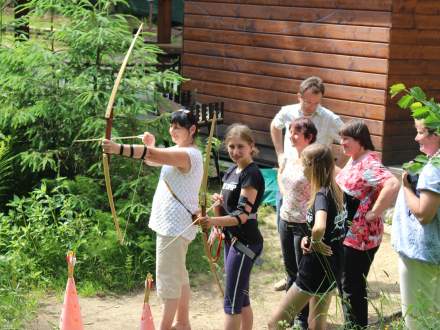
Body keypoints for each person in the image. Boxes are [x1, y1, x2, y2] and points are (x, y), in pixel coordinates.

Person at [102, 109, 202, 330]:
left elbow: (153, 156)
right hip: (174, 226)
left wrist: (117, 148)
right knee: (179, 275)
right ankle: (182, 323)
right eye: (171, 126)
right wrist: (153, 144)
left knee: (168, 279)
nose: (173, 130)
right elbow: (155, 160)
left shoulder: (189, 155)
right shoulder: (179, 150)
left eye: (178, 127)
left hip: (173, 227)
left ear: (192, 129)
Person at [270, 76, 343, 292]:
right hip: (289, 179)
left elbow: (347, 139)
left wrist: (339, 169)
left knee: (305, 239)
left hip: (312, 185)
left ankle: (308, 281)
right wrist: (280, 154)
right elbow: (275, 126)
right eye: (307, 102)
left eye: (315, 102)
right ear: (299, 96)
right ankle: (290, 276)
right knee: (284, 230)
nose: (311, 107)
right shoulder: (288, 111)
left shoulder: (330, 118)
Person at [268, 143, 346, 330]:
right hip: (334, 263)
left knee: (276, 323)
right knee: (317, 322)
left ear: (312, 165)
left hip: (315, 268)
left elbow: (319, 226)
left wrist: (315, 240)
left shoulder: (320, 194)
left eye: (303, 163)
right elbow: (337, 226)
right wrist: (310, 239)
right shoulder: (337, 190)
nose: (301, 167)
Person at [197, 124, 264, 330]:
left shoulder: (251, 174)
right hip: (231, 240)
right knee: (241, 297)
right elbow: (228, 208)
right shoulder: (232, 171)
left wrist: (211, 222)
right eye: (232, 147)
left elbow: (242, 215)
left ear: (251, 146)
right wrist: (219, 206)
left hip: (245, 243)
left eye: (240, 147)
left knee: (232, 301)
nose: (235, 152)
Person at [335, 120, 400, 329]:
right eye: (341, 137)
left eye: (347, 139)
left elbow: (392, 183)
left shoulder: (369, 162)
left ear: (360, 140)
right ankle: (352, 324)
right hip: (348, 234)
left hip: (360, 238)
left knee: (351, 285)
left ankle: (356, 326)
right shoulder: (355, 159)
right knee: (346, 283)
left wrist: (375, 212)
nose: (342, 142)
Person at [391, 119, 440, 330]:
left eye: (420, 133)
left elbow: (423, 214)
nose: (416, 137)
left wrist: (406, 187)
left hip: (421, 257)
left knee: (418, 320)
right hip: (431, 257)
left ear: (436, 135)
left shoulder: (434, 169)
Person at [277, 118, 317, 329]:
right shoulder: (290, 158)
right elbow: (281, 176)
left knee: (303, 274)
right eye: (290, 131)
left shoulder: (314, 162)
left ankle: (302, 320)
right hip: (285, 220)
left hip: (303, 225)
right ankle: (288, 317)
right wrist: (287, 196)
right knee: (290, 271)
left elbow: (325, 189)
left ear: (309, 137)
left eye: (295, 133)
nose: (291, 136)